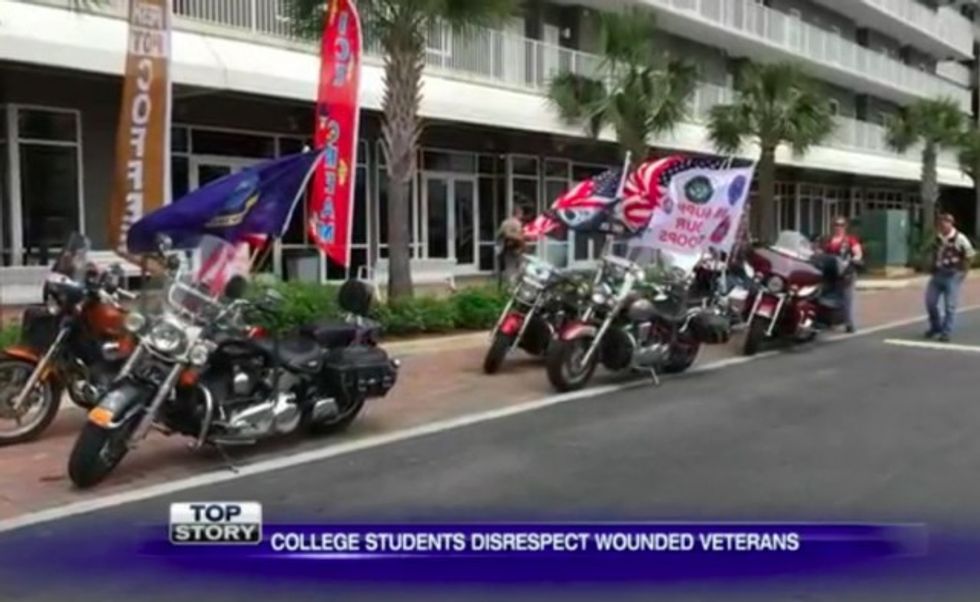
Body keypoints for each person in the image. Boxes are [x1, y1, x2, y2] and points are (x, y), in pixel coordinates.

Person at [925, 213, 975, 342]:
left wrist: (963, 272)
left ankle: (946, 332)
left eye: (945, 223)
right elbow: (933, 251)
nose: (942, 226)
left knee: (950, 305)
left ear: (951, 224)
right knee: (930, 302)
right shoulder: (938, 237)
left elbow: (970, 255)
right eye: (940, 224)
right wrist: (931, 265)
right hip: (938, 273)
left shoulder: (960, 238)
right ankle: (936, 327)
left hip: (953, 274)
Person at [822, 217, 864, 333]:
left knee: (846, 298)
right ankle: (829, 321)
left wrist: (854, 260)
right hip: (831, 273)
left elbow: (858, 253)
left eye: (841, 225)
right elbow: (823, 253)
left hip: (846, 273)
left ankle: (849, 323)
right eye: (836, 225)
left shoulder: (850, 240)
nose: (838, 228)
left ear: (845, 227)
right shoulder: (829, 240)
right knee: (827, 296)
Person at [497, 206, 528, 284]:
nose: (522, 216)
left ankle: (511, 285)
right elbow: (520, 237)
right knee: (522, 267)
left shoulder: (504, 223)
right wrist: (523, 247)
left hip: (507, 249)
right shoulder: (518, 223)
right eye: (521, 214)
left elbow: (499, 235)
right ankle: (516, 284)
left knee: (510, 268)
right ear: (518, 213)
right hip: (517, 248)